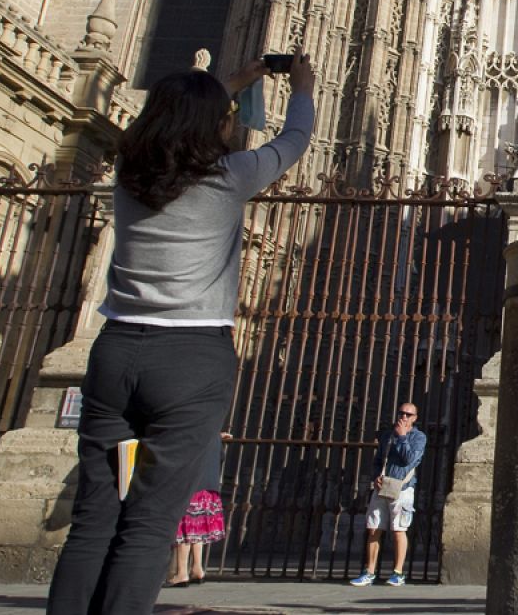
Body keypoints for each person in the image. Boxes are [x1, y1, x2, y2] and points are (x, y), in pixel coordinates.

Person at [47, 55, 317, 615]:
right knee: (149, 524)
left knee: (94, 518)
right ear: (215, 122)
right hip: (190, 361)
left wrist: (233, 80)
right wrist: (300, 87)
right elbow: (295, 138)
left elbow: (171, 112)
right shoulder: (230, 177)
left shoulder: (129, 170)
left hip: (117, 351)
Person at [351, 402, 427, 587]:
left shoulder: (418, 437)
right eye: (401, 413)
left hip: (403, 488)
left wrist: (402, 437)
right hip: (382, 486)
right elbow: (378, 460)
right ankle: (369, 572)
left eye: (408, 414)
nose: (404, 417)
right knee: (374, 528)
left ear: (415, 418)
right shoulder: (387, 435)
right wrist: (376, 476)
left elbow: (410, 459)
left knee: (398, 530)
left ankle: (398, 572)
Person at [165, 436, 227, 588]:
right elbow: (221, 457)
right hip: (209, 487)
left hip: (191, 485)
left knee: (184, 528)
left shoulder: (192, 431)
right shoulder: (213, 435)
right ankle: (197, 569)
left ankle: (181, 573)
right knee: (197, 530)